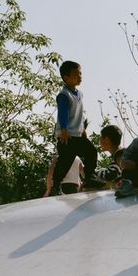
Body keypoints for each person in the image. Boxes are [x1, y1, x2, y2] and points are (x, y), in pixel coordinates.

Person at [49, 61, 103, 195]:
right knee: (64, 162)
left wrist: (82, 128)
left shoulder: (79, 94)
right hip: (67, 135)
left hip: (78, 134)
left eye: (80, 73)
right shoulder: (64, 95)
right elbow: (63, 113)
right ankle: (55, 187)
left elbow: (79, 113)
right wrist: (64, 129)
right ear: (66, 77)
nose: (79, 76)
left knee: (91, 152)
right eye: (75, 74)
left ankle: (89, 177)